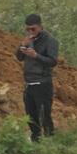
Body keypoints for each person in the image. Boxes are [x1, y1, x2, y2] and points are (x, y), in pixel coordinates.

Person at [15, 14, 59, 142]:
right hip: (29, 83)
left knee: (44, 116)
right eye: (27, 29)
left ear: (40, 26)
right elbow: (19, 57)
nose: (30, 32)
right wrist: (22, 45)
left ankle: (50, 142)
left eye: (33, 29)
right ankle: (36, 141)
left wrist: (35, 55)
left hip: (43, 84)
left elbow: (52, 61)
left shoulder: (50, 40)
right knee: (31, 116)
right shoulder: (28, 39)